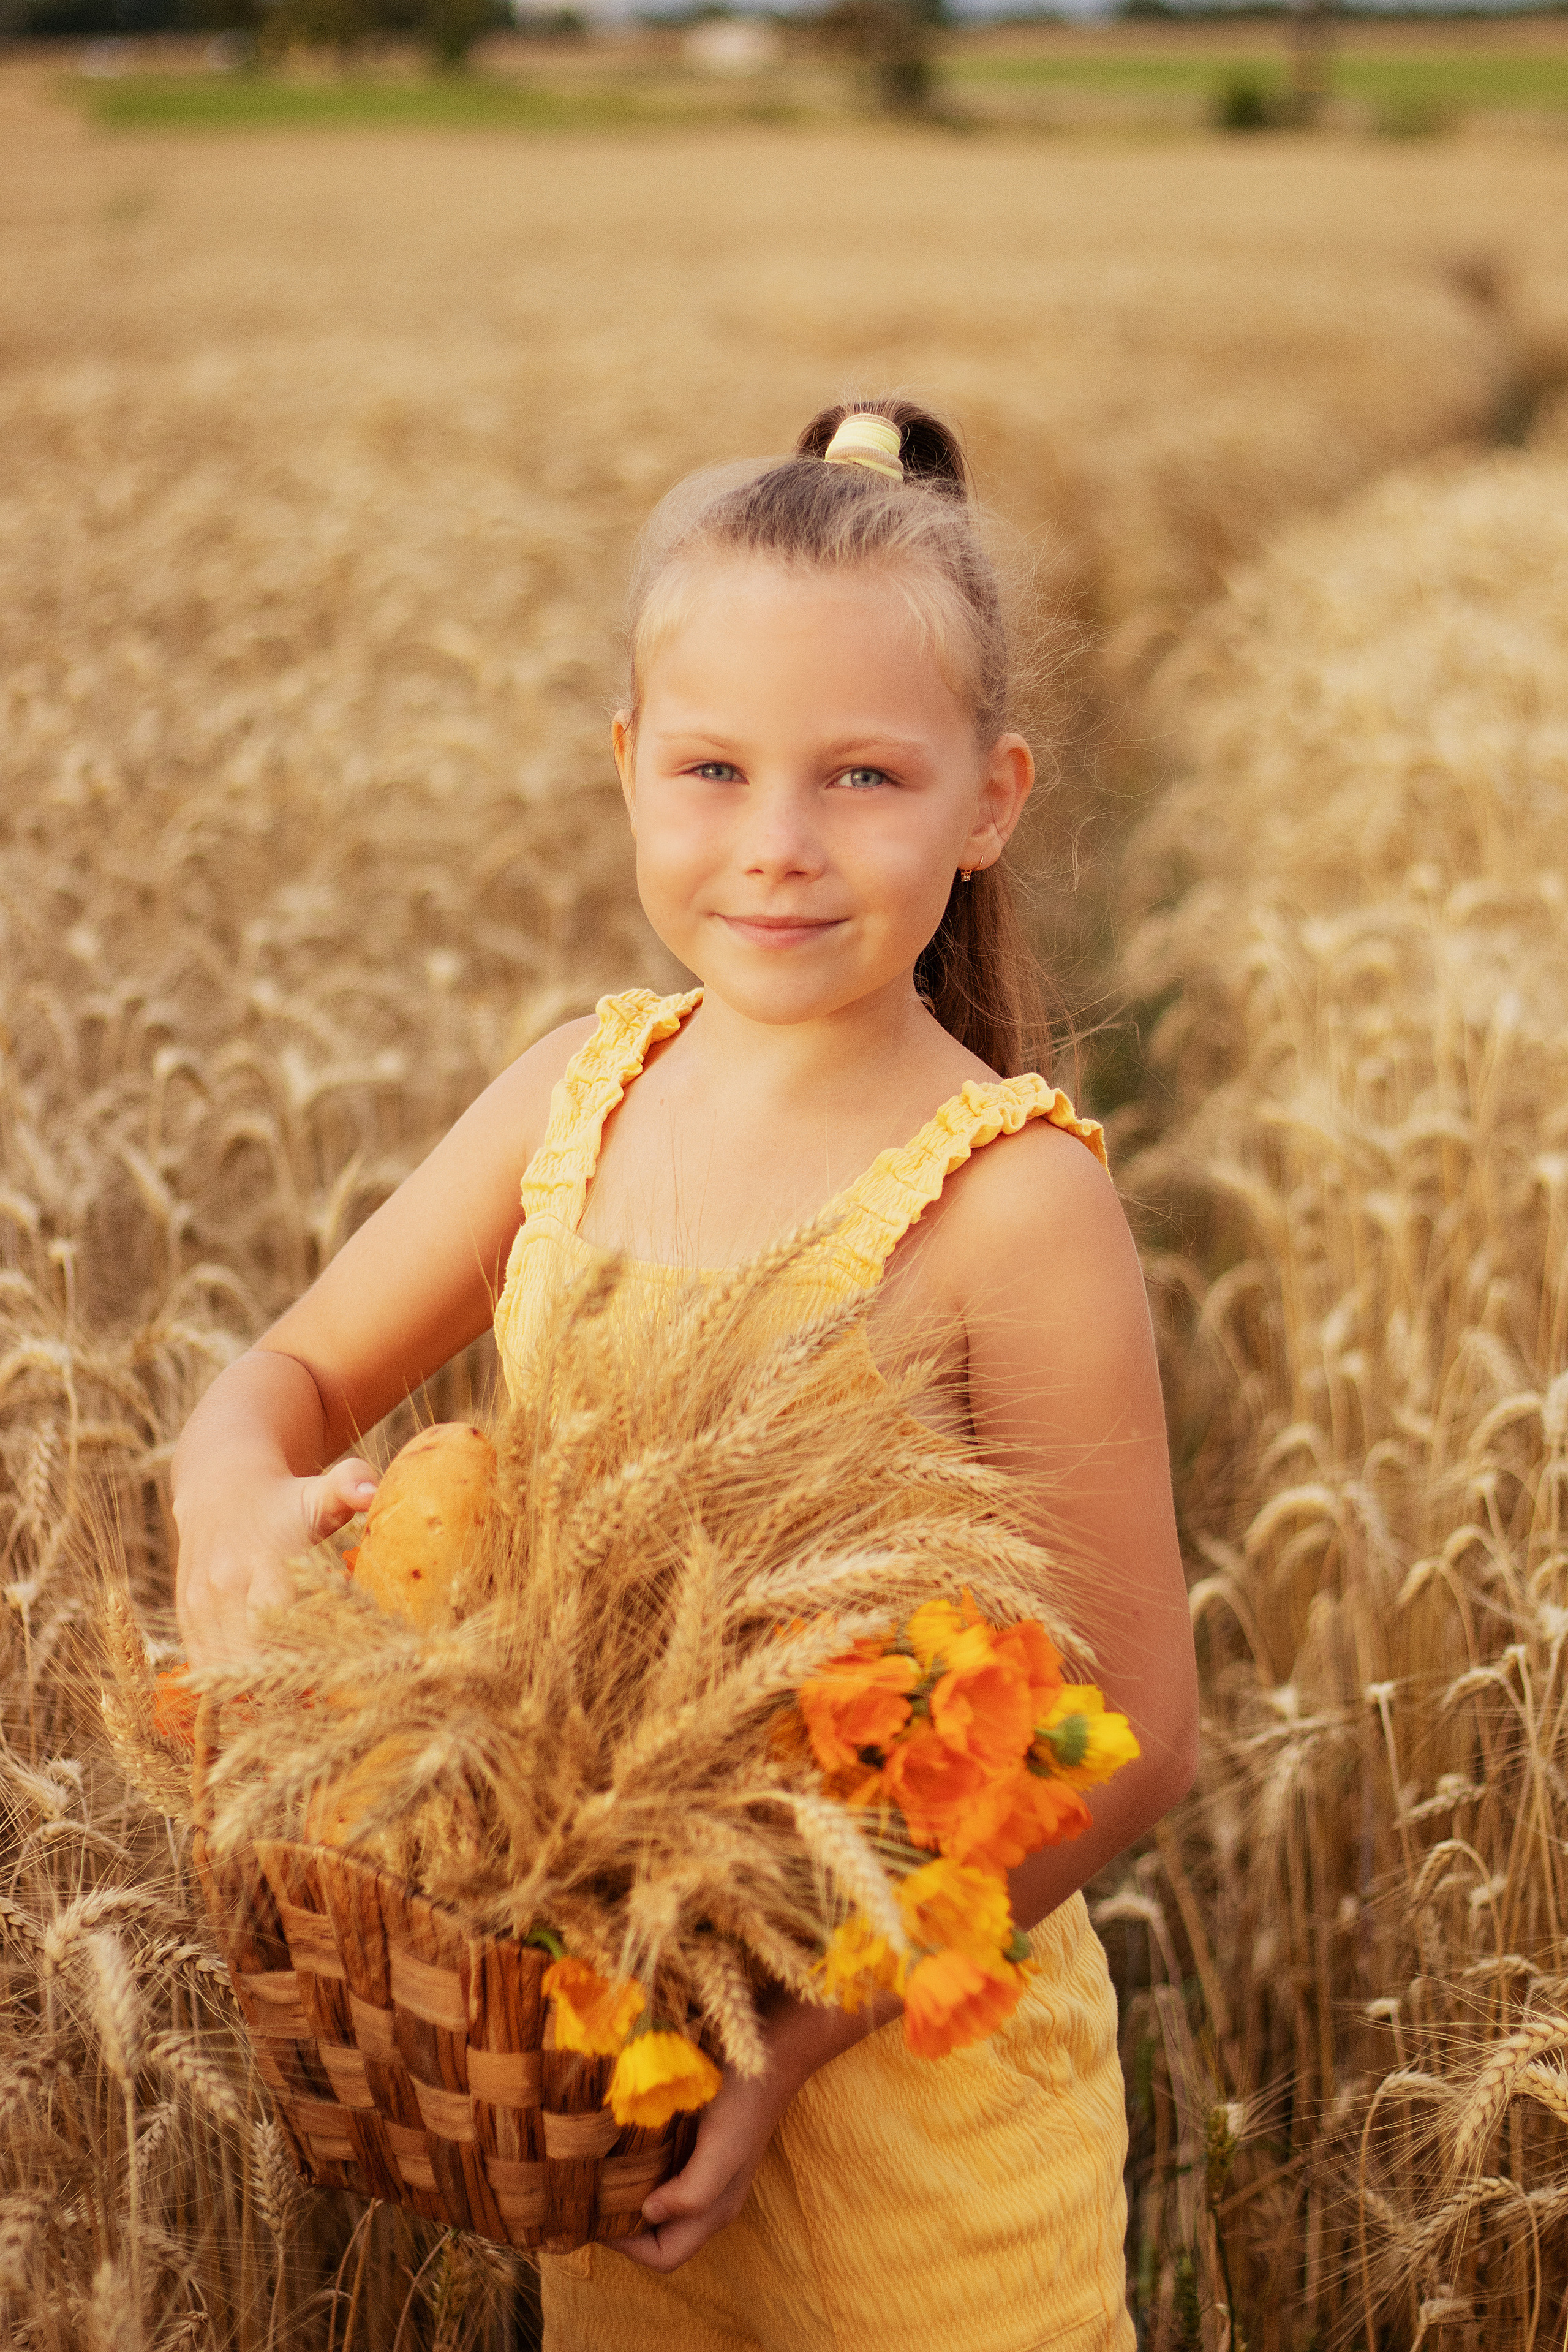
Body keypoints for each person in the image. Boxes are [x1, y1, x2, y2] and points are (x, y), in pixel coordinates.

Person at [173, 398, 1198, 2351]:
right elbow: (287, 1373)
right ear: (630, 768)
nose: (778, 848)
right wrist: (230, 1480)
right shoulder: (577, 1092)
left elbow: (1139, 1725)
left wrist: (789, 2048)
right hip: (614, 2067)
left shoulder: (1009, 1201)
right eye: (715, 768)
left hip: (921, 2119)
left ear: (990, 802)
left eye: (863, 778)